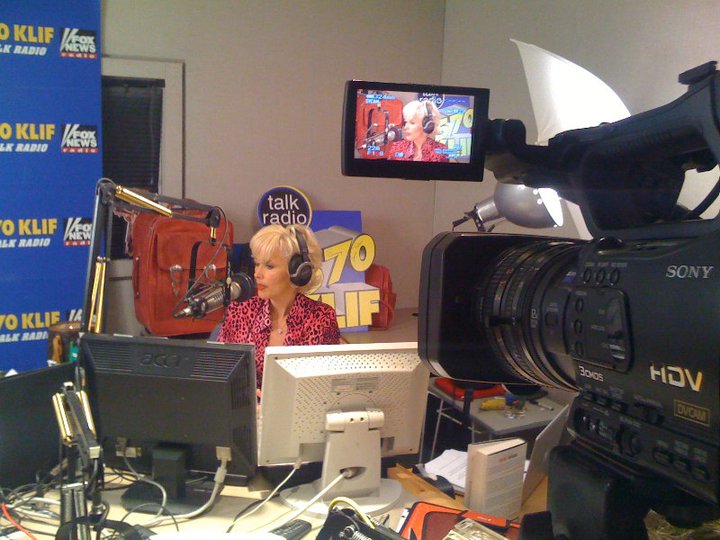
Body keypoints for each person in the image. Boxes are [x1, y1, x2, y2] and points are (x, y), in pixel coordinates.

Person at [217, 224, 341, 388]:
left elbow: (322, 387)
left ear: (299, 271)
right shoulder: (239, 311)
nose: (257, 274)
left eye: (269, 266)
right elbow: (220, 373)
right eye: (257, 263)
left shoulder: (320, 318)